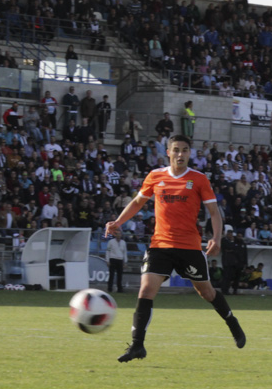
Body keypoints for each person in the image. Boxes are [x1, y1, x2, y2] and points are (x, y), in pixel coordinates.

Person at [104, 134, 245, 362]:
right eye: (176, 150)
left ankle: (232, 321)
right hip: (160, 244)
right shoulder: (155, 176)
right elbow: (138, 202)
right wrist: (118, 222)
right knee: (146, 290)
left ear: (190, 153)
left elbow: (214, 212)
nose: (180, 154)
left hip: (189, 247)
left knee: (206, 293)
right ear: (168, 152)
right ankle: (137, 345)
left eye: (185, 150)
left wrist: (216, 238)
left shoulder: (198, 179)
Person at [106, 229, 126, 293]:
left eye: (119, 234)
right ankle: (110, 288)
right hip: (113, 259)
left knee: (120, 275)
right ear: (115, 235)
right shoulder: (111, 242)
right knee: (111, 275)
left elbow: (124, 252)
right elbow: (107, 251)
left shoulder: (123, 242)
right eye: (117, 234)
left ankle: (119, 289)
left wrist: (125, 262)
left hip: (120, 259)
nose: (118, 235)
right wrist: (107, 260)